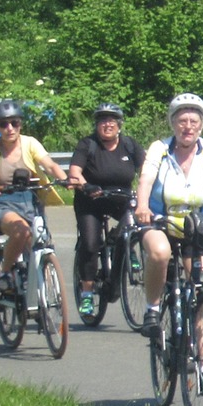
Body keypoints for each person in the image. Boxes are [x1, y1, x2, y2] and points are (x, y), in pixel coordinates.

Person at [133, 93, 203, 328]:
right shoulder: (160, 148)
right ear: (173, 123)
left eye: (193, 122)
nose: (188, 127)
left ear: (201, 125)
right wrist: (142, 206)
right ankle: (152, 309)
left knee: (201, 291)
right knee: (160, 252)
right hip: (160, 220)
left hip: (197, 225)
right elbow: (146, 179)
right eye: (182, 121)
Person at [0, 100, 69, 295]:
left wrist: (67, 180)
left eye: (14, 123)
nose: (10, 128)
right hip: (2, 202)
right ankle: (6, 273)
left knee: (41, 241)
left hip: (30, 200)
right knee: (21, 231)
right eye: (3, 124)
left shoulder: (30, 142)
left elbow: (49, 165)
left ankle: (39, 290)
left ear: (20, 124)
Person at [66, 103, 145, 318]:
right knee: (91, 244)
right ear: (97, 125)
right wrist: (85, 185)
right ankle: (87, 293)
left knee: (137, 221)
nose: (107, 124)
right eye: (102, 121)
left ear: (119, 125)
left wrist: (144, 193)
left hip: (121, 199)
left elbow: (148, 171)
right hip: (91, 201)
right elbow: (74, 172)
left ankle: (125, 246)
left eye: (111, 121)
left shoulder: (129, 145)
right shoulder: (88, 145)